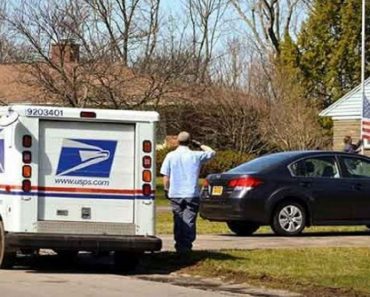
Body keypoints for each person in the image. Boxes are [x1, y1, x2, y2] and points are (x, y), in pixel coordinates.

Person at [160, 131, 216, 253]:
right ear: (189, 142)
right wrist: (200, 144)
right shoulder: (195, 155)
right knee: (189, 219)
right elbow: (212, 153)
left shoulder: (170, 156)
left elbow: (166, 175)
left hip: (175, 192)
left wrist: (166, 188)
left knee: (178, 219)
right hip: (191, 193)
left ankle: (179, 244)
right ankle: (186, 245)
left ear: (178, 141)